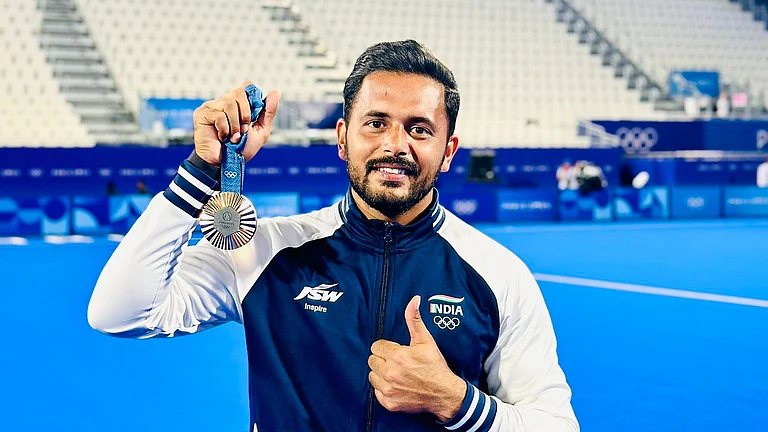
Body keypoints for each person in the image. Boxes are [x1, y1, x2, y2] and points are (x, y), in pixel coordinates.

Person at [87, 40, 578, 432]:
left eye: (419, 129)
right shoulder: (266, 253)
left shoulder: (498, 273)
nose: (395, 144)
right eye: (376, 123)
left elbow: (556, 424)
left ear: (448, 151)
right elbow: (119, 313)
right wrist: (202, 171)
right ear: (342, 138)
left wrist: (458, 403)